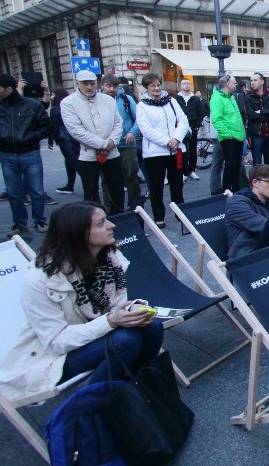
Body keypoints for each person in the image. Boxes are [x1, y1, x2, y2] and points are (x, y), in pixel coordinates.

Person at [0, 202, 164, 401]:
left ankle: (139, 394)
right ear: (77, 234)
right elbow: (56, 342)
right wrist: (112, 321)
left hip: (96, 335)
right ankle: (91, 410)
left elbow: (115, 305)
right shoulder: (40, 280)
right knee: (125, 341)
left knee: (152, 326)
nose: (112, 225)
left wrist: (132, 309)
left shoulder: (110, 259)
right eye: (101, 223)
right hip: (53, 358)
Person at [61, 70, 125, 215]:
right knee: (91, 191)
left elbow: (118, 123)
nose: (89, 87)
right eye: (85, 84)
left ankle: (120, 219)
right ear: (78, 84)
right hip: (87, 154)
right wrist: (102, 144)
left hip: (111, 152)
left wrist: (111, 142)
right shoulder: (68, 103)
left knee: (117, 188)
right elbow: (76, 130)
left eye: (92, 83)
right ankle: (94, 222)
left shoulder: (108, 100)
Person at [0, 73, 52, 236]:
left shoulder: (31, 105)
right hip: (7, 154)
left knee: (37, 190)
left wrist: (30, 138)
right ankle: (19, 224)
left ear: (8, 89)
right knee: (13, 192)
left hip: (30, 152)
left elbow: (48, 127)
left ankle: (40, 220)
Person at [136, 73, 189, 229]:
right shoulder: (142, 106)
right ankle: (159, 216)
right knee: (156, 186)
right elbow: (146, 129)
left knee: (177, 183)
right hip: (155, 153)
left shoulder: (171, 101)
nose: (156, 88)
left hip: (176, 149)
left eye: (158, 84)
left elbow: (183, 121)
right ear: (146, 88)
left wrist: (176, 139)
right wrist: (167, 141)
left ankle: (180, 212)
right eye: (152, 85)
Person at [100, 75, 142, 210]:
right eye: (108, 86)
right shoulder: (97, 101)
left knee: (131, 175)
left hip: (126, 144)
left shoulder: (126, 99)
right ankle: (110, 208)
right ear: (102, 86)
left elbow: (138, 118)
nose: (111, 89)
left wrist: (133, 132)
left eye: (114, 86)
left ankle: (134, 205)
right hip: (106, 146)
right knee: (107, 179)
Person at [210, 74, 246, 193]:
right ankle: (227, 189)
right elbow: (216, 120)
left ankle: (235, 189)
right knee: (230, 165)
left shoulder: (231, 98)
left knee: (236, 165)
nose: (236, 85)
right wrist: (228, 135)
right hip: (229, 137)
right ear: (227, 84)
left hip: (238, 136)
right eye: (234, 82)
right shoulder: (217, 99)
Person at [244, 72, 269, 167]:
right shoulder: (248, 97)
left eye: (255, 80)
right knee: (257, 164)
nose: (252, 82)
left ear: (262, 81)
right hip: (257, 134)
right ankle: (256, 181)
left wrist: (261, 111)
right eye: (251, 80)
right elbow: (252, 115)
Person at [50, 88, 79, 195]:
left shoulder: (55, 109)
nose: (51, 97)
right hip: (71, 136)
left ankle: (89, 183)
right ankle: (69, 185)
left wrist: (50, 140)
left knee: (73, 162)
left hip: (63, 137)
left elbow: (53, 125)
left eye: (52, 95)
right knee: (69, 162)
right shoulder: (70, 106)